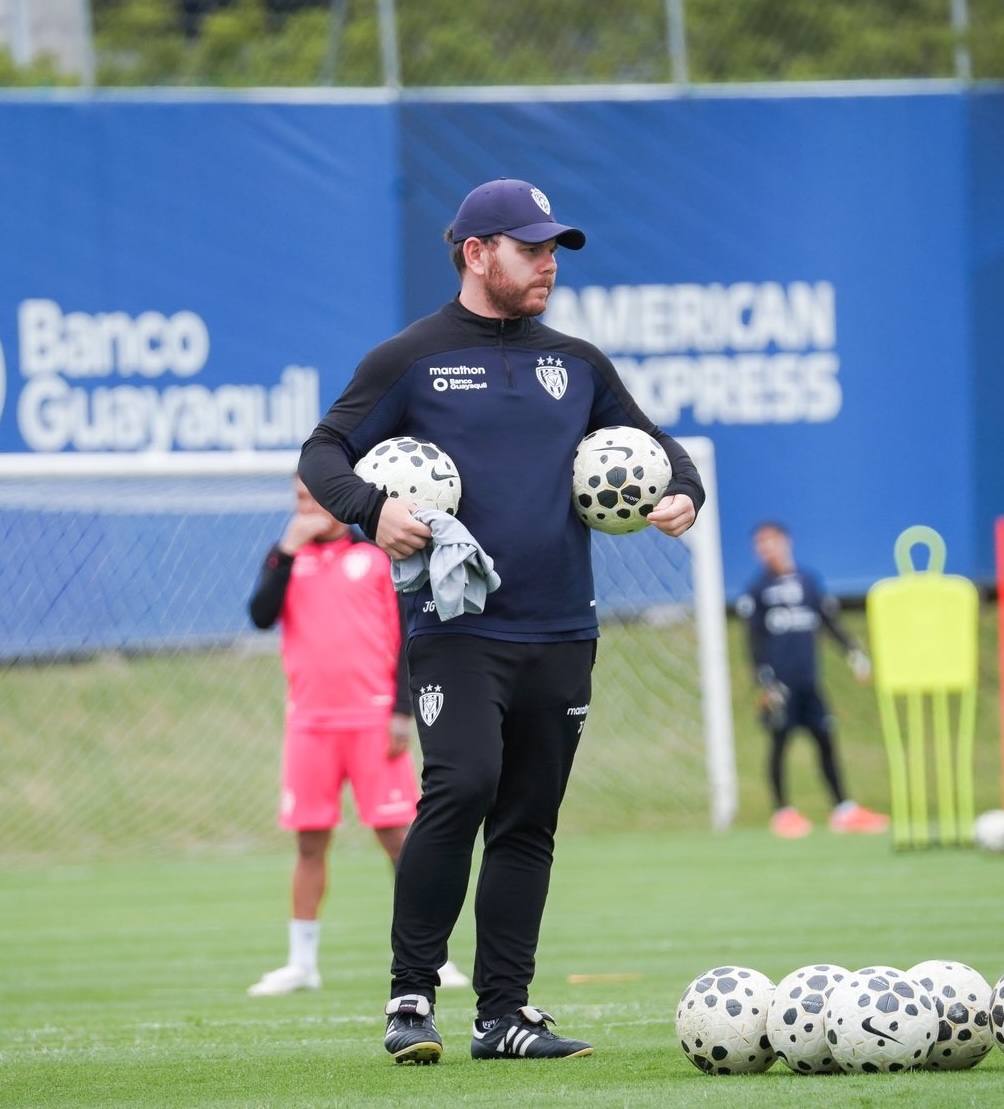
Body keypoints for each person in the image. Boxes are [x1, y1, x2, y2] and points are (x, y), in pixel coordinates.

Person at [298, 177, 705, 1063]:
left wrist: (682, 493)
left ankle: (503, 1017)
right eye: (531, 249)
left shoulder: (579, 363)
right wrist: (371, 510)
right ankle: (412, 997)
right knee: (464, 784)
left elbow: (667, 451)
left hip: (563, 626)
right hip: (458, 624)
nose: (548, 265)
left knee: (528, 817)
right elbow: (322, 451)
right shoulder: (410, 358)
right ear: (476, 253)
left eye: (554, 249)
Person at [246, 475, 469, 997]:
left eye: (314, 497)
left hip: (372, 722)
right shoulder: (285, 557)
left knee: (401, 841)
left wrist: (401, 710)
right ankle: (302, 964)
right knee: (309, 842)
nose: (306, 508)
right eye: (298, 499)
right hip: (310, 723)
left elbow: (403, 639)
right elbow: (259, 616)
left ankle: (434, 958)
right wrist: (285, 549)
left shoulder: (374, 557)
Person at [735, 520, 890, 839]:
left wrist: (853, 651)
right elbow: (753, 641)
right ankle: (782, 812)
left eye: (770, 542)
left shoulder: (807, 581)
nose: (765, 550)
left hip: (810, 682)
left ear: (786, 542)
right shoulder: (757, 590)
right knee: (780, 744)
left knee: (825, 740)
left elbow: (827, 620)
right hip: (780, 686)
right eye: (759, 545)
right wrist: (764, 680)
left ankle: (843, 809)